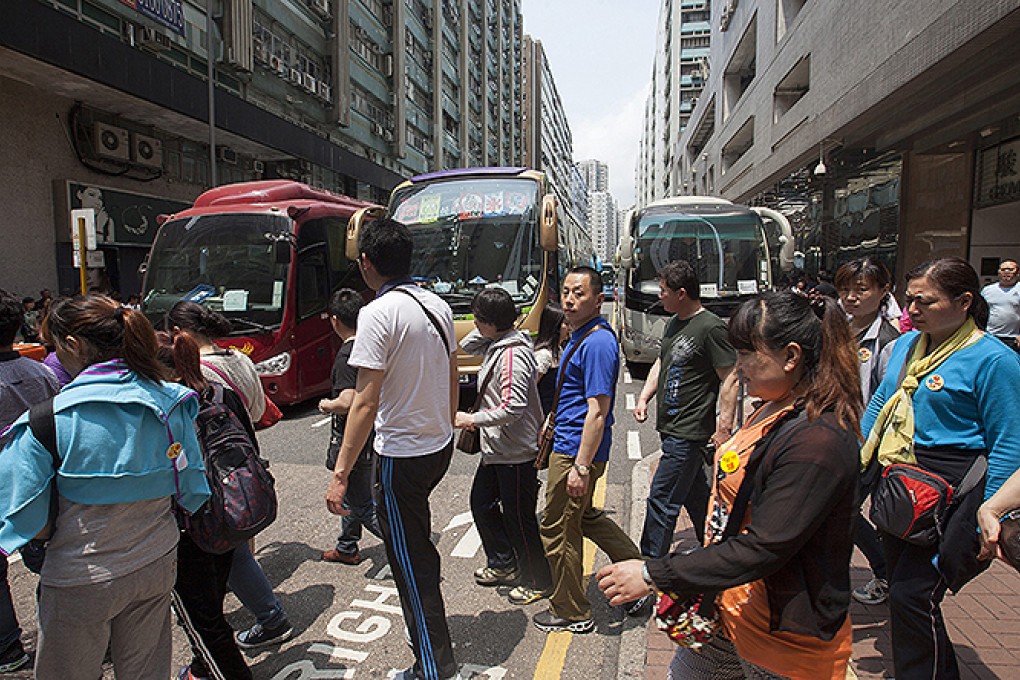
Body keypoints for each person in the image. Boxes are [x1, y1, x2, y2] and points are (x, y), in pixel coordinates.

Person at [598, 290, 863, 680]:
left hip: (782, 641)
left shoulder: (817, 441)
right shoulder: (777, 404)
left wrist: (655, 574)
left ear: (791, 357)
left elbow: (765, 547)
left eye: (746, 355)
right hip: (729, 610)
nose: (738, 368)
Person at [0, 295, 210, 680]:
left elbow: (28, 521)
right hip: (155, 560)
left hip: (82, 574)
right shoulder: (173, 402)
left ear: (74, 345)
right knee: (147, 671)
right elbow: (190, 485)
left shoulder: (48, 421)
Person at [860, 257, 1020, 680]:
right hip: (903, 485)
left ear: (964, 302)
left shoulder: (995, 360)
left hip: (958, 489)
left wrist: (991, 512)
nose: (911, 309)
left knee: (915, 595)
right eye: (908, 299)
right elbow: (881, 404)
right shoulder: (908, 347)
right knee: (906, 594)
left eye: (924, 302)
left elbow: (1009, 441)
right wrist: (854, 454)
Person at [324, 218, 459, 680]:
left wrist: (341, 474)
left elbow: (364, 401)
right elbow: (452, 374)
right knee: (415, 545)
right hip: (437, 446)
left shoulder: (377, 313)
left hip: (402, 456)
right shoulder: (436, 304)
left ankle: (434, 670)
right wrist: (447, 425)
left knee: (410, 566)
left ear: (366, 263)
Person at [164, 301, 292, 649]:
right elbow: (257, 409)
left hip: (209, 471)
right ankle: (265, 613)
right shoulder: (240, 359)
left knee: (227, 548)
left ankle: (266, 615)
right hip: (241, 456)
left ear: (177, 335)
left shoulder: (193, 371)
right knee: (236, 541)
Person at [533, 266, 643, 634]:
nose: (569, 299)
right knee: (583, 516)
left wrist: (580, 466)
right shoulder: (582, 334)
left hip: (576, 450)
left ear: (599, 299)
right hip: (569, 443)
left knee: (558, 526)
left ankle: (571, 611)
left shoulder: (596, 342)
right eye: (566, 291)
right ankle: (637, 566)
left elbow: (598, 410)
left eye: (579, 293)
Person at [155, 330, 253, 680]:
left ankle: (227, 671)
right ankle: (202, 667)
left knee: (200, 617)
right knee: (212, 602)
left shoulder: (165, 408)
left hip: (186, 526)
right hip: (228, 512)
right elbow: (250, 451)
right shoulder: (222, 394)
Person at [632, 260, 738, 558]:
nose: (659, 296)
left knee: (662, 499)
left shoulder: (710, 327)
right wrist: (644, 397)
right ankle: (719, 550)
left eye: (664, 291)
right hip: (671, 427)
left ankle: (650, 569)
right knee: (696, 496)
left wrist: (724, 429)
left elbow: (730, 377)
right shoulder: (675, 322)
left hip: (689, 432)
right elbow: (663, 361)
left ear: (681, 293)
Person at [455, 288, 553, 606]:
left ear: (490, 322)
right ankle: (504, 563)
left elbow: (513, 408)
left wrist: (471, 420)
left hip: (515, 452)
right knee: (481, 504)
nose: (474, 324)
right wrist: (487, 329)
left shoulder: (512, 355)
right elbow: (465, 344)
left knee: (519, 518)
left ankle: (538, 580)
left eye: (478, 319)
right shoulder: (499, 344)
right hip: (498, 450)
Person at [835, 257, 901, 606]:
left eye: (861, 290)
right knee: (840, 510)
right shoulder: (839, 326)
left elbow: (888, 401)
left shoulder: (890, 340)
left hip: (866, 442)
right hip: (836, 434)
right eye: (845, 289)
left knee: (841, 509)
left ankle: (883, 572)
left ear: (883, 290)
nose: (851, 297)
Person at [0, 290, 59, 673]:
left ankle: (8, 647)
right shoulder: (41, 373)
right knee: (50, 564)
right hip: (43, 490)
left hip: (7, 491)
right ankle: (52, 631)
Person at [318, 289, 383, 566]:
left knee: (362, 503)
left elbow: (348, 401)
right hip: (374, 432)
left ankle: (407, 546)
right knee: (356, 493)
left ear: (335, 320)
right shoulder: (372, 345)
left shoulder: (346, 354)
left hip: (353, 437)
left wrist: (326, 404)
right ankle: (346, 547)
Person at [533, 302, 567, 416]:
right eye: (565, 323)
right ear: (555, 327)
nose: (569, 327)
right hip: (543, 415)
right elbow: (531, 390)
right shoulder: (543, 356)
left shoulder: (559, 350)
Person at [980, 258, 1020, 350]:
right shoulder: (987, 290)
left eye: (1010, 269)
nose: (1006, 272)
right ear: (999, 272)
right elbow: (980, 312)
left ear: (1017, 273)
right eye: (1003, 269)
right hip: (990, 336)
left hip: (1013, 339)